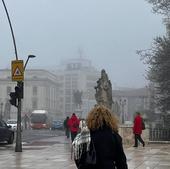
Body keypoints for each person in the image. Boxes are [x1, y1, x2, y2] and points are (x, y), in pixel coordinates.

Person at [73, 105, 128, 169]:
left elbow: (79, 157)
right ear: (109, 119)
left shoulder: (86, 135)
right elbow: (121, 161)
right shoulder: (114, 135)